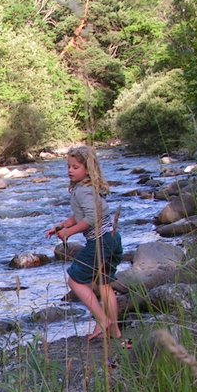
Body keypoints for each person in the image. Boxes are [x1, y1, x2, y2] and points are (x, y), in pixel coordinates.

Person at [46, 145, 129, 346]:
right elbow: (80, 215)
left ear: (87, 169)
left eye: (75, 167)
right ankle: (115, 331)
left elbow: (91, 218)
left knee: (74, 280)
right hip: (112, 239)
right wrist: (62, 225)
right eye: (68, 166)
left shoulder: (82, 191)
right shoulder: (90, 188)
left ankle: (103, 320)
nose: (70, 170)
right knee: (104, 285)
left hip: (100, 242)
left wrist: (69, 232)